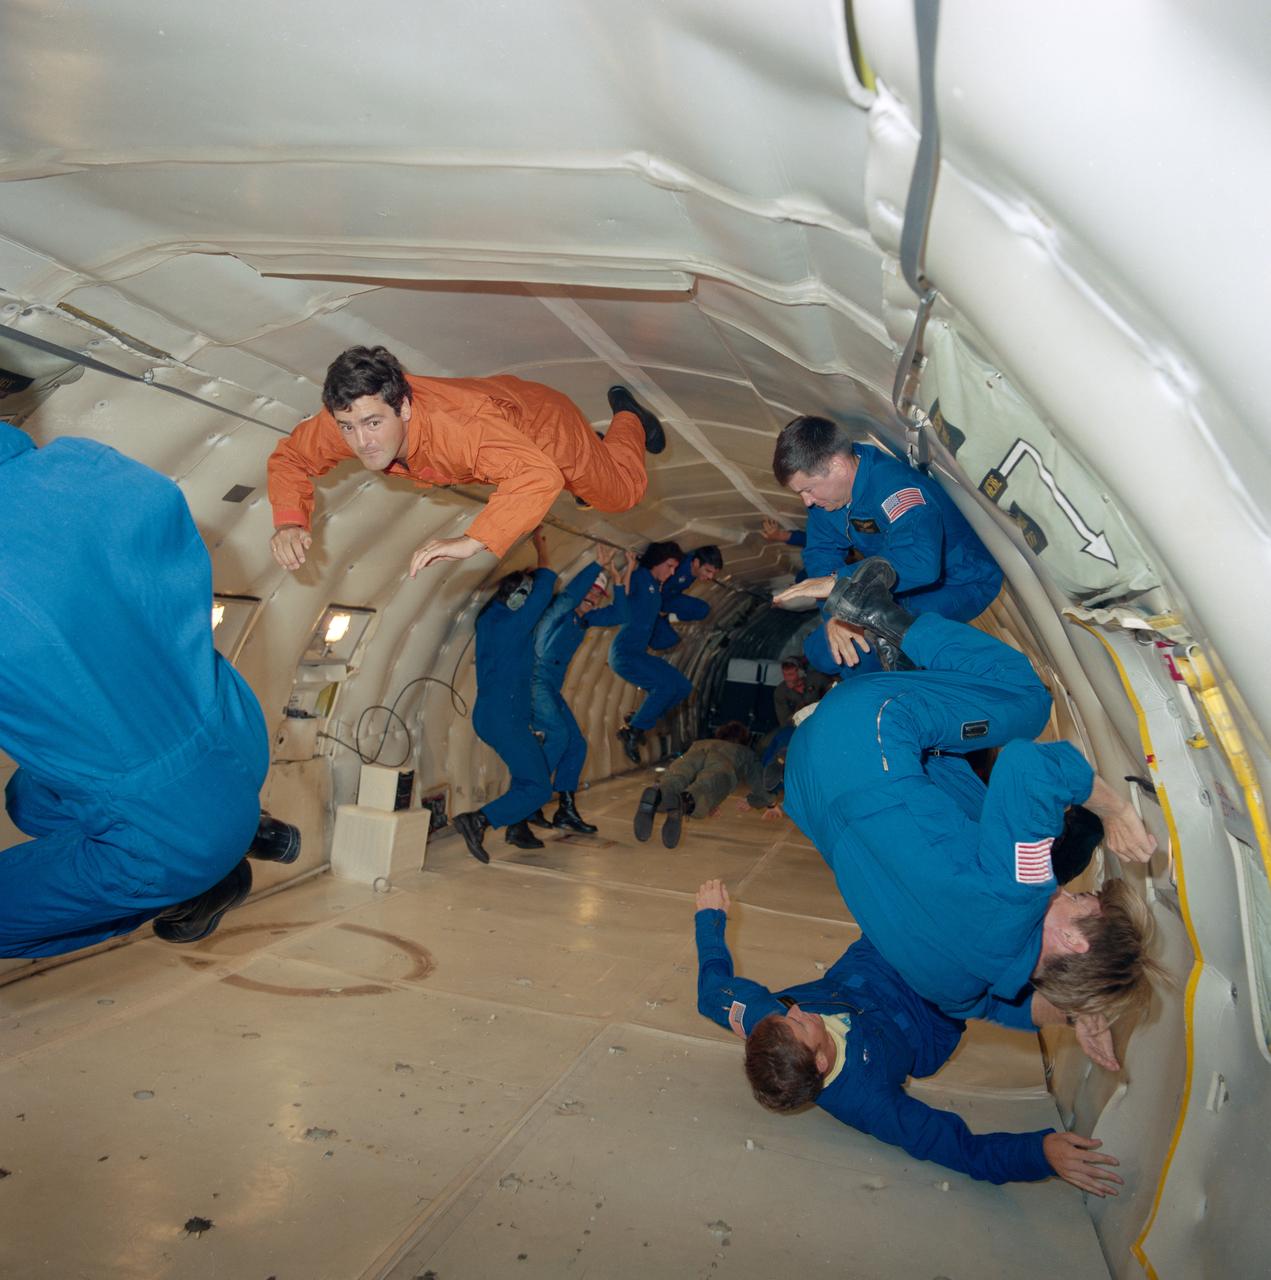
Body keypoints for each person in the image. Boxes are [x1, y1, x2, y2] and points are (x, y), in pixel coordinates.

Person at [782, 559, 1161, 1071]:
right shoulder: (956, 983)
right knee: (972, 824)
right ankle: (910, 677)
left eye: (1081, 906)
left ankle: (877, 613)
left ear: (1072, 940)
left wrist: (1113, 809)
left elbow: (1029, 768)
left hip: (862, 731)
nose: (1069, 894)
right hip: (807, 786)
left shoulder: (1024, 893)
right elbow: (982, 1006)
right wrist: (1074, 1007)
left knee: (1027, 701)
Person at [0, 422, 298, 957]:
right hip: (229, 735)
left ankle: (194, 882)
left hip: (165, 836)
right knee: (27, 803)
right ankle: (224, 838)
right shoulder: (88, 464)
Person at [694, 879, 1126, 1194]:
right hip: (927, 1015)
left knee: (944, 894)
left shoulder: (767, 1019)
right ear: (821, 1064)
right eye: (803, 1024)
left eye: (789, 1013)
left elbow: (711, 991)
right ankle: (1080, 1000)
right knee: (988, 979)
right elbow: (959, 1149)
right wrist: (1041, 1153)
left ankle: (1063, 893)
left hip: (876, 961)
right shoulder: (868, 1102)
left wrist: (709, 919)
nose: (800, 1009)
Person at [267, 345, 666, 576]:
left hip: (544, 429)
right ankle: (596, 452)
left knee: (620, 495)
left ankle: (629, 417)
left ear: (403, 407)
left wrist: (472, 541)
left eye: (372, 424)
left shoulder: (459, 429)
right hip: (499, 431)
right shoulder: (349, 414)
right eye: (347, 427)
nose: (362, 442)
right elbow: (291, 458)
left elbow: (537, 474)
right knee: (567, 483)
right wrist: (288, 521)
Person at [772, 414, 1003, 677]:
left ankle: (887, 701)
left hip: (958, 581)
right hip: (892, 581)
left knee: (862, 648)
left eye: (808, 489)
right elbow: (819, 553)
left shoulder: (895, 489)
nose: (807, 502)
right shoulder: (829, 499)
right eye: (800, 493)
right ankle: (870, 690)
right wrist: (838, 611)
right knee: (821, 651)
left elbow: (921, 562)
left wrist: (843, 586)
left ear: (836, 465)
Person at [451, 529, 559, 863]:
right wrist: (542, 550)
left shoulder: (490, 620)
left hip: (494, 716)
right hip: (505, 719)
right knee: (539, 786)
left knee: (526, 774)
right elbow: (545, 586)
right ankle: (479, 820)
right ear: (518, 599)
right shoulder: (515, 622)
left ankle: (517, 827)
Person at [526, 544, 630, 833]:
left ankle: (565, 810)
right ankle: (530, 799)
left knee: (576, 744)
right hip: (534, 681)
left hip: (550, 688)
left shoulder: (583, 620)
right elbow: (571, 594)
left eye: (598, 594)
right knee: (558, 735)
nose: (593, 597)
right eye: (591, 591)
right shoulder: (558, 610)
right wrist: (597, 566)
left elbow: (620, 614)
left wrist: (618, 581)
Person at [610, 542, 694, 764]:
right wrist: (629, 566)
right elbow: (623, 595)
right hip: (624, 653)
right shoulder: (640, 577)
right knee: (665, 687)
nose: (672, 572)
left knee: (683, 687)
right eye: (669, 566)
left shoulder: (655, 585)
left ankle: (637, 721)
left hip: (639, 653)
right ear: (657, 562)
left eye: (675, 568)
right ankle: (634, 730)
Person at [633, 723, 778, 848]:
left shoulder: (699, 742)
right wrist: (768, 803)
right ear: (743, 740)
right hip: (724, 763)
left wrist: (712, 803)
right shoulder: (745, 752)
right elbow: (761, 785)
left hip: (693, 755)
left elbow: (690, 776)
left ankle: (657, 795)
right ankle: (685, 803)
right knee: (706, 787)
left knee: (676, 777)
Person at [649, 545, 723, 651]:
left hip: (669, 598)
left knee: (702, 610)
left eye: (713, 573)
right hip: (651, 600)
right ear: (696, 563)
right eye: (708, 571)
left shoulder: (694, 570)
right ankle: (649, 629)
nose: (711, 577)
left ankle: (667, 618)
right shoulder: (678, 565)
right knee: (668, 640)